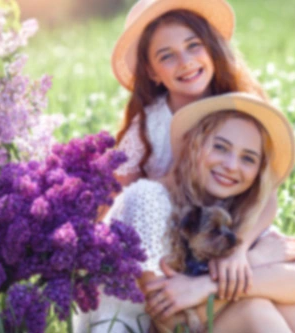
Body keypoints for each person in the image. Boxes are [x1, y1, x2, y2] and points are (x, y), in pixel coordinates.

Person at [75, 93, 295, 332]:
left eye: (248, 159)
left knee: (286, 303)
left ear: (257, 173)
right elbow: (171, 320)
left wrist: (207, 285)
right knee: (254, 307)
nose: (232, 166)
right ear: (194, 143)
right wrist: (258, 262)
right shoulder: (148, 200)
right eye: (220, 147)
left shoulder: (230, 205)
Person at [109, 0, 275, 305]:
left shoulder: (239, 108)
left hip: (233, 231)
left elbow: (267, 194)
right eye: (166, 56)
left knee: (280, 278)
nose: (185, 62)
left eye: (193, 46)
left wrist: (239, 250)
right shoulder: (147, 126)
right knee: (255, 302)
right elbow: (119, 202)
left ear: (211, 47)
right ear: (152, 71)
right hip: (170, 250)